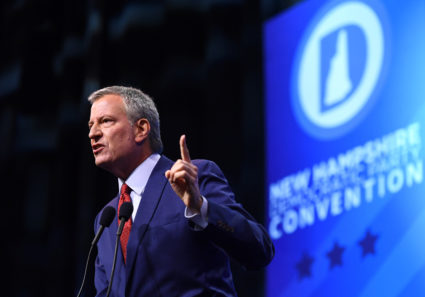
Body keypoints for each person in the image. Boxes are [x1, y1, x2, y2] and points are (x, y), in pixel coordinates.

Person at [88, 86, 274, 297]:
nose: (92, 133)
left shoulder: (194, 177)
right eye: (91, 124)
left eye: (105, 121)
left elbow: (259, 249)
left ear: (141, 129)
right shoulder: (106, 219)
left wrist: (201, 208)